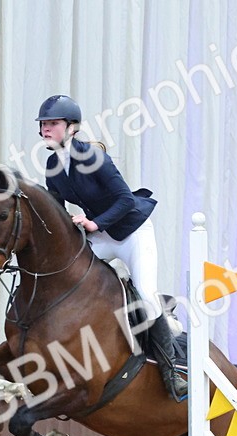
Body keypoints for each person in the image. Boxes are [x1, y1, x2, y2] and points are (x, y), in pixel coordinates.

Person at [35, 94, 188, 402]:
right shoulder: (52, 164)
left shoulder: (95, 158)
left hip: (132, 232)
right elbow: (57, 206)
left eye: (53, 124)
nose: (46, 130)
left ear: (72, 127)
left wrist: (94, 224)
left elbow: (126, 200)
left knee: (145, 294)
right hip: (101, 235)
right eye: (43, 125)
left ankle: (172, 370)